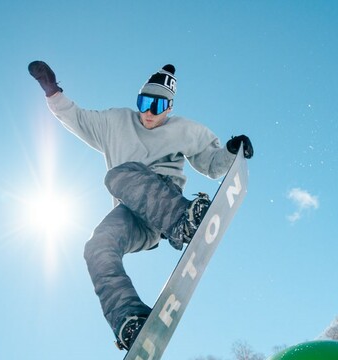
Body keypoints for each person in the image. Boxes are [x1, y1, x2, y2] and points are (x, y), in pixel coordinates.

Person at [28, 60, 254, 350]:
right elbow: (78, 118)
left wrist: (231, 152)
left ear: (169, 108)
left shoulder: (185, 130)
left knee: (119, 175)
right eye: (144, 103)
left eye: (157, 107)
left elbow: (211, 164)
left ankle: (184, 220)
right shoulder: (115, 122)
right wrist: (52, 92)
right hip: (137, 219)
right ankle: (129, 318)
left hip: (165, 200)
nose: (148, 113)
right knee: (96, 247)